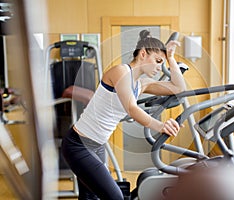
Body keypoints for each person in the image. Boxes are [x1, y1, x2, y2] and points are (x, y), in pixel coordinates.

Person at [61, 30, 186, 200]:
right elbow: (131, 109)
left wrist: (170, 58)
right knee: (115, 197)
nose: (159, 67)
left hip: (97, 146)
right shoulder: (120, 71)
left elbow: (178, 88)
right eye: (157, 61)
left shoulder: (140, 84)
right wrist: (161, 126)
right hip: (79, 145)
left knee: (90, 197)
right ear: (143, 54)